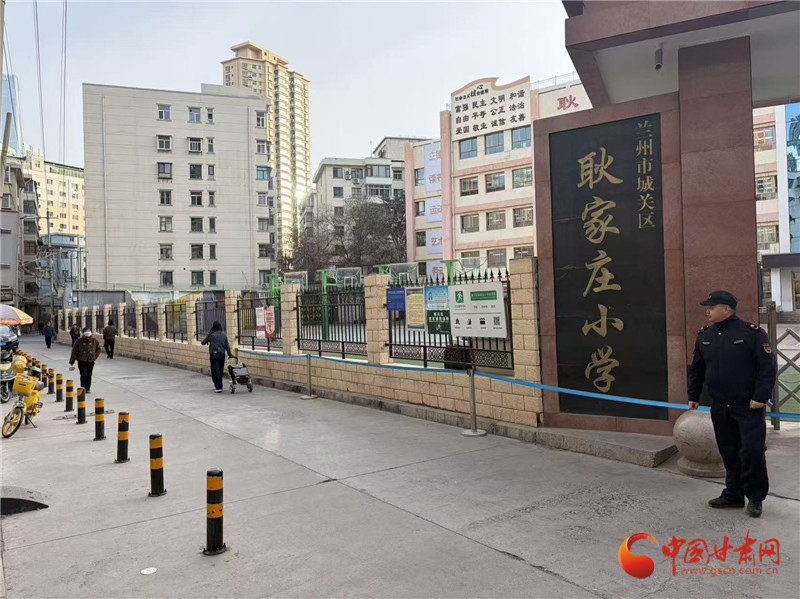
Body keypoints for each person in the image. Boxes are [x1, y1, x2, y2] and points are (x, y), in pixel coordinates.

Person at [687, 290, 777, 518]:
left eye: (712, 307)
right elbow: (697, 369)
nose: (707, 311)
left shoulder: (751, 333)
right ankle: (733, 493)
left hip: (748, 406)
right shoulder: (705, 335)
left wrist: (760, 397)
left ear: (726, 309)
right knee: (728, 450)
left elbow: (767, 368)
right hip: (720, 405)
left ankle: (755, 497)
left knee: (752, 451)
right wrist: (694, 396)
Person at [201, 321, 233, 393]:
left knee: (215, 371)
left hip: (214, 355)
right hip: (222, 355)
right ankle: (220, 386)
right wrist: (230, 354)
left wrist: (209, 334)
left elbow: (203, 342)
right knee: (220, 371)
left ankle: (218, 387)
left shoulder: (211, 335)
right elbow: (227, 346)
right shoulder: (224, 335)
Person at [69, 328, 102, 393]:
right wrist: (72, 361)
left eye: (88, 331)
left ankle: (88, 388)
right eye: (86, 331)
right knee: (83, 374)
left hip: (90, 360)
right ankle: (83, 388)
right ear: (83, 333)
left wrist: (94, 356)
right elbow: (74, 351)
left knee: (89, 375)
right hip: (82, 361)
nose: (87, 333)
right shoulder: (79, 341)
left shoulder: (94, 341)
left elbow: (98, 349)